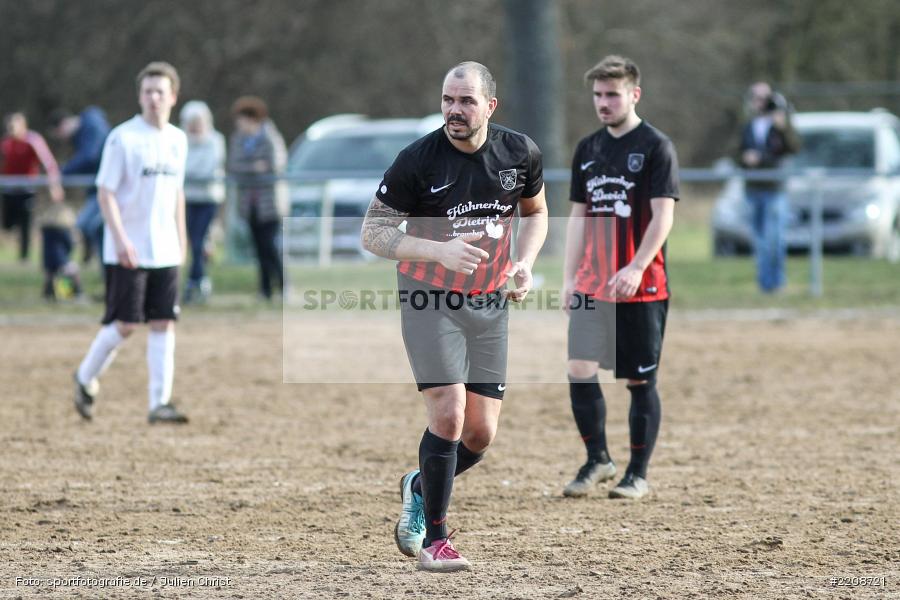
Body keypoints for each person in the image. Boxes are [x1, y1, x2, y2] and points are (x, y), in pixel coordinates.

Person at [361, 61, 548, 571]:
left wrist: (524, 264)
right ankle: (435, 543)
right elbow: (373, 233)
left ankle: (419, 484)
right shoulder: (417, 160)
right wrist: (437, 251)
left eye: (465, 101)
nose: (454, 110)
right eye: (448, 99)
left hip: (490, 302)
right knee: (449, 414)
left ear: (490, 106)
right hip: (429, 299)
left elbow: (535, 213)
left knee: (481, 434)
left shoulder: (519, 152)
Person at [562, 56, 679, 501]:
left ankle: (638, 473)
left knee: (638, 381)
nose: (604, 103)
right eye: (598, 95)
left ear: (634, 94)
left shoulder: (656, 146)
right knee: (578, 370)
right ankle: (598, 460)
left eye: (612, 94)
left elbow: (663, 216)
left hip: (641, 285)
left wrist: (636, 267)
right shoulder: (587, 149)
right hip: (593, 284)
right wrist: (570, 278)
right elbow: (578, 216)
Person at [73, 61, 189, 424]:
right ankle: (84, 377)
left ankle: (160, 404)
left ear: (173, 96)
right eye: (147, 91)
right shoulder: (123, 138)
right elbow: (105, 192)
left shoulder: (177, 139)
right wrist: (120, 239)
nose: (153, 98)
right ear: (140, 96)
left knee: (163, 323)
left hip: (165, 248)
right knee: (125, 324)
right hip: (129, 248)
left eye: (160, 91)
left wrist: (181, 241)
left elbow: (177, 194)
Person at [739, 82, 799, 293]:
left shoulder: (780, 123)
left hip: (775, 188)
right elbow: (736, 152)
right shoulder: (748, 125)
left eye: (764, 97)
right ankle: (764, 285)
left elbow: (794, 148)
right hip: (753, 188)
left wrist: (782, 127)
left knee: (775, 239)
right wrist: (745, 158)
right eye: (756, 97)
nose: (760, 102)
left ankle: (777, 283)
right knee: (760, 241)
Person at [227, 96, 287, 301]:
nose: (239, 124)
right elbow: (234, 167)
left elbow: (275, 164)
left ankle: (283, 286)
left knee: (270, 246)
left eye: (242, 119)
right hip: (249, 205)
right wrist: (255, 167)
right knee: (258, 249)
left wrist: (252, 168)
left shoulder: (270, 137)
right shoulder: (238, 139)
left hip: (269, 205)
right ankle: (265, 290)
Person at [49, 105, 110, 265]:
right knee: (90, 227)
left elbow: (90, 156)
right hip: (98, 188)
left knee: (90, 226)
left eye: (60, 134)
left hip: (108, 188)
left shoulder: (92, 125)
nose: (63, 139)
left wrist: (63, 171)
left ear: (63, 124)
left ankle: (102, 267)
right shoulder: (85, 130)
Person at [179, 100, 226, 304]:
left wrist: (189, 171)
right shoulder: (179, 140)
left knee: (198, 242)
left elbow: (206, 169)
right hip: (186, 199)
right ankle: (197, 279)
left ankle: (196, 281)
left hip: (208, 200)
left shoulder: (215, 141)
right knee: (191, 243)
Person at [1, 112, 64, 261]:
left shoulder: (33, 141)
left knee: (25, 223)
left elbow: (49, 163)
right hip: (9, 190)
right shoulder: (5, 144)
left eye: (13, 126)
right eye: (9, 127)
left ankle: (24, 257)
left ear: (23, 126)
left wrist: (54, 185)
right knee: (7, 224)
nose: (11, 130)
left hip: (27, 190)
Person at [39, 201, 83, 301]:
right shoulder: (63, 231)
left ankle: (47, 293)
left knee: (49, 274)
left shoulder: (46, 231)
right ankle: (74, 293)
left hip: (47, 261)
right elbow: (69, 245)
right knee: (72, 270)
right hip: (60, 259)